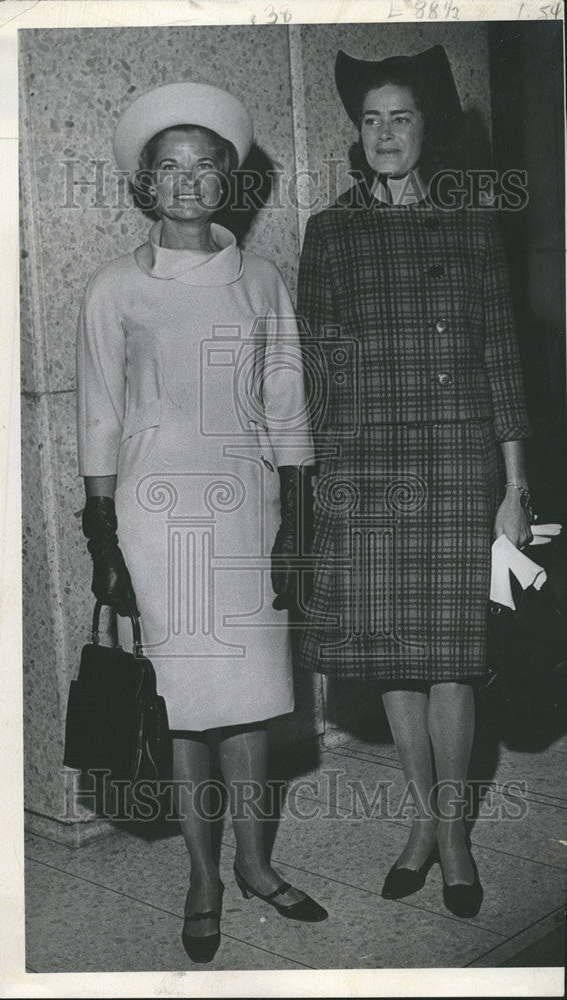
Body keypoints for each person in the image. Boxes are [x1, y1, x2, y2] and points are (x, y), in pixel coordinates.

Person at [76, 81, 327, 964]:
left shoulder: (263, 280)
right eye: (168, 168)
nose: (186, 182)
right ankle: (202, 876)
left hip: (246, 514)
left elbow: (288, 399)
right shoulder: (113, 289)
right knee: (183, 708)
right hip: (155, 521)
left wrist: (296, 521)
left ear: (227, 180)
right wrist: (102, 536)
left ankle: (256, 866)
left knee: (251, 705)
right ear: (147, 184)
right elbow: (100, 413)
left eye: (203, 166)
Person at [298, 46, 533, 919]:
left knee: (453, 663)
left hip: (451, 461)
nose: (385, 133)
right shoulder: (330, 230)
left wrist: (514, 487)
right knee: (391, 654)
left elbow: (502, 355)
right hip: (364, 467)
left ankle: (455, 835)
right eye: (370, 119)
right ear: (356, 134)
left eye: (401, 117)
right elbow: (313, 368)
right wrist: (314, 481)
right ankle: (423, 826)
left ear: (427, 128)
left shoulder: (472, 224)